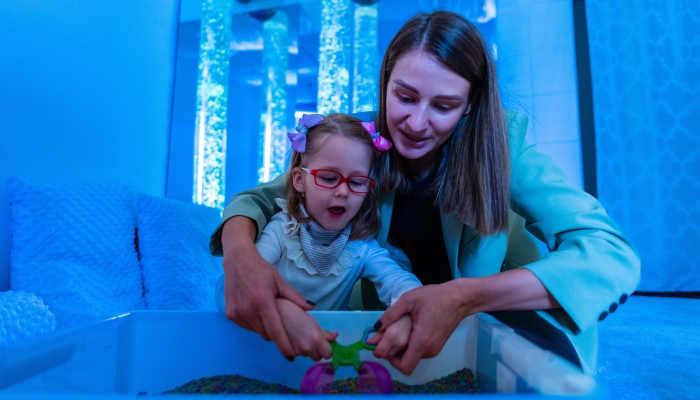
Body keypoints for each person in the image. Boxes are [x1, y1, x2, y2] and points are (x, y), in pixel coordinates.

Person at [209, 10, 640, 375]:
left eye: (443, 106)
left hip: (501, 319)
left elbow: (611, 255)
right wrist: (241, 259)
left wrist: (465, 298)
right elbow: (260, 200)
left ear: (470, 103)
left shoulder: (503, 147)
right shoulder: (360, 138)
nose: (416, 123)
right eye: (405, 96)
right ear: (386, 80)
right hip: (395, 321)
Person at [214, 113, 422, 361]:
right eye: (328, 178)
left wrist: (409, 314)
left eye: (356, 182)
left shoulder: (362, 247)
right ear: (300, 180)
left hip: (322, 362)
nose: (343, 191)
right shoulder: (282, 231)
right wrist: (280, 309)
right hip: (260, 353)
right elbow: (231, 288)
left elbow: (398, 281)